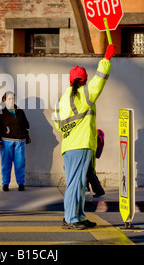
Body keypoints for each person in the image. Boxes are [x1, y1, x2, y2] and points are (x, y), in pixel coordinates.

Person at [53, 44, 115, 230]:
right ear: (84, 81)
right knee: (75, 184)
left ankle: (78, 216)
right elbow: (100, 81)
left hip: (70, 146)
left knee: (79, 184)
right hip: (80, 146)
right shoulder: (84, 94)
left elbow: (57, 123)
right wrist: (106, 60)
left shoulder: (63, 99)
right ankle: (71, 218)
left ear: (71, 81)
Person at [0, 91, 30, 192]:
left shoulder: (20, 111)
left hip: (20, 142)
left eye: (13, 99)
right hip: (6, 142)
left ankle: (21, 183)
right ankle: (5, 183)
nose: (11, 101)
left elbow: (26, 124)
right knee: (6, 163)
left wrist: (25, 132)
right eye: (9, 99)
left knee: (20, 163)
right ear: (4, 100)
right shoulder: (1, 113)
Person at [86, 129, 105, 197]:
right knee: (89, 172)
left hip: (88, 153)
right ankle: (97, 190)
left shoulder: (92, 133)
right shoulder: (94, 132)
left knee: (89, 173)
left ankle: (98, 190)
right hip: (90, 153)